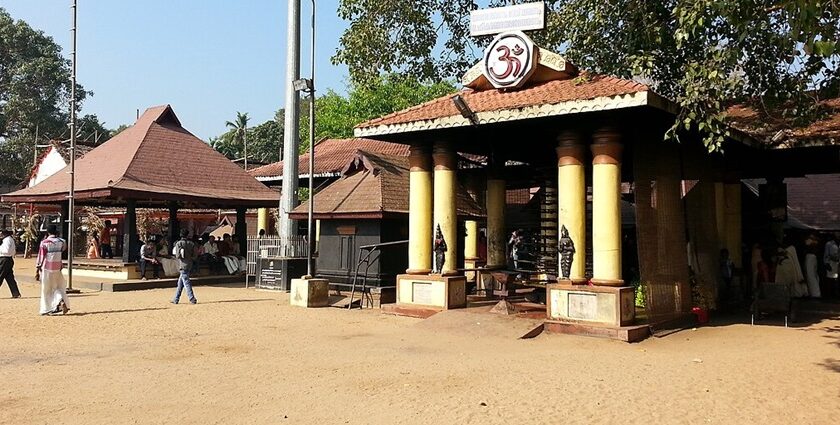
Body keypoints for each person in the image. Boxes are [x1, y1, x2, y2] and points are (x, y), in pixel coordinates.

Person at [36, 225, 69, 315]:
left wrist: (38, 267)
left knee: (46, 289)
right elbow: (62, 250)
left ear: (47, 232)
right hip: (58, 267)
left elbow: (41, 256)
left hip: (47, 268)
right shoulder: (62, 242)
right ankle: (61, 300)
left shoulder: (44, 242)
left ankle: (46, 309)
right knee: (58, 286)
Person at [171, 229, 197, 304]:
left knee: (186, 282)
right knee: (180, 283)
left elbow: (178, 255)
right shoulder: (191, 243)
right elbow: (195, 255)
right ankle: (176, 299)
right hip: (189, 263)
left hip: (182, 264)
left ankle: (192, 298)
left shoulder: (179, 243)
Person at [0, 229, 21, 298]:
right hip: (7, 259)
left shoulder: (7, 240)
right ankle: (15, 293)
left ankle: (16, 293)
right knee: (9, 278)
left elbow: (7, 251)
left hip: (5, 259)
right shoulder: (8, 239)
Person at [804, 234, 821, 298]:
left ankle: (815, 293)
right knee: (812, 275)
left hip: (811, 257)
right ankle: (814, 292)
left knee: (810, 275)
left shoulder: (812, 243)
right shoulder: (813, 243)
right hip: (811, 257)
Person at [824, 232, 839, 298]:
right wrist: (826, 263)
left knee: (836, 279)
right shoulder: (829, 244)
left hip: (838, 263)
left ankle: (835, 294)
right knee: (830, 279)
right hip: (831, 263)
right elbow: (826, 255)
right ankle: (829, 295)